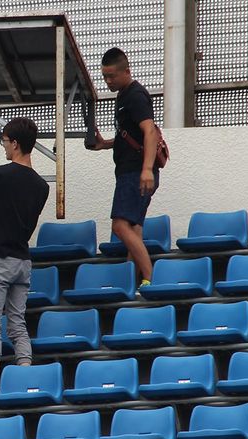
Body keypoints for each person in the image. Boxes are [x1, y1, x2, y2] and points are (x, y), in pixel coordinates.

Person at [0, 117, 50, 393]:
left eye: (4, 141)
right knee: (17, 322)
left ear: (14, 143)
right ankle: (25, 374)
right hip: (23, 261)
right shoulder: (42, 186)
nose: (3, 146)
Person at [85, 47, 160, 286]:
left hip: (136, 172)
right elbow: (130, 136)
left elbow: (150, 131)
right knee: (132, 228)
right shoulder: (123, 96)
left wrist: (147, 169)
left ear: (126, 71)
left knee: (119, 225)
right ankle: (135, 282)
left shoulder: (135, 95)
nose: (108, 81)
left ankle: (149, 278)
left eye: (112, 76)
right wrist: (104, 144)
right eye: (105, 76)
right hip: (129, 170)